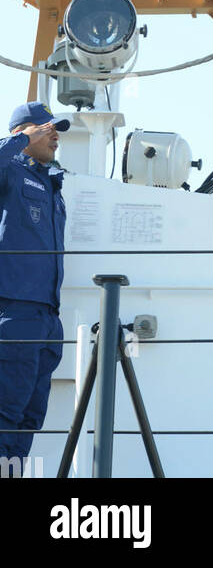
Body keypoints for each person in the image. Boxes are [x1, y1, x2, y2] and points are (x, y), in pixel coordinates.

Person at [0, 102, 69, 470]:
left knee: (29, 419)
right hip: (14, 311)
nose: (55, 134)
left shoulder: (52, 184)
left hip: (47, 320)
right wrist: (16, 142)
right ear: (24, 132)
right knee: (5, 413)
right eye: (47, 128)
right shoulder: (9, 170)